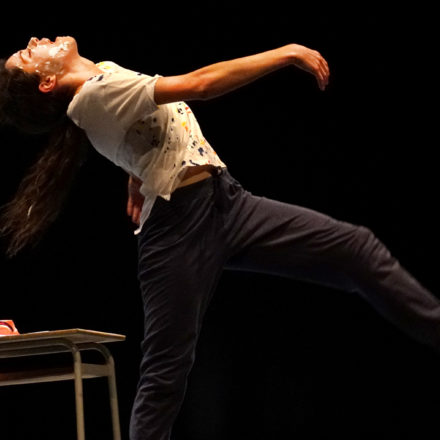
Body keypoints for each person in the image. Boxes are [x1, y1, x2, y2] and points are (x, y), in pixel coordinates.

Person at [0, 36, 439, 440]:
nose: (34, 41)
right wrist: (286, 53)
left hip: (226, 203)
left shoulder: (104, 75)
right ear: (47, 82)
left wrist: (135, 172)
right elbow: (201, 85)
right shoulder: (96, 94)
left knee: (355, 247)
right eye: (27, 53)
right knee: (165, 374)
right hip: (176, 230)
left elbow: (135, 126)